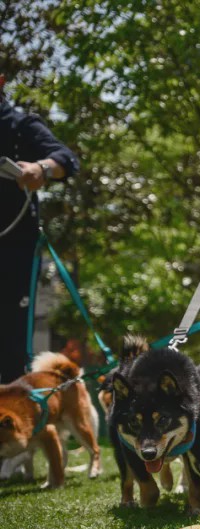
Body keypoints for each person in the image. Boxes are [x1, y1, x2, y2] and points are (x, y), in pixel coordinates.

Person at [0, 74, 80, 383]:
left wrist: (41, 168)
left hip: (12, 252)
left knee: (11, 346)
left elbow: (66, 159)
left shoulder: (21, 126)